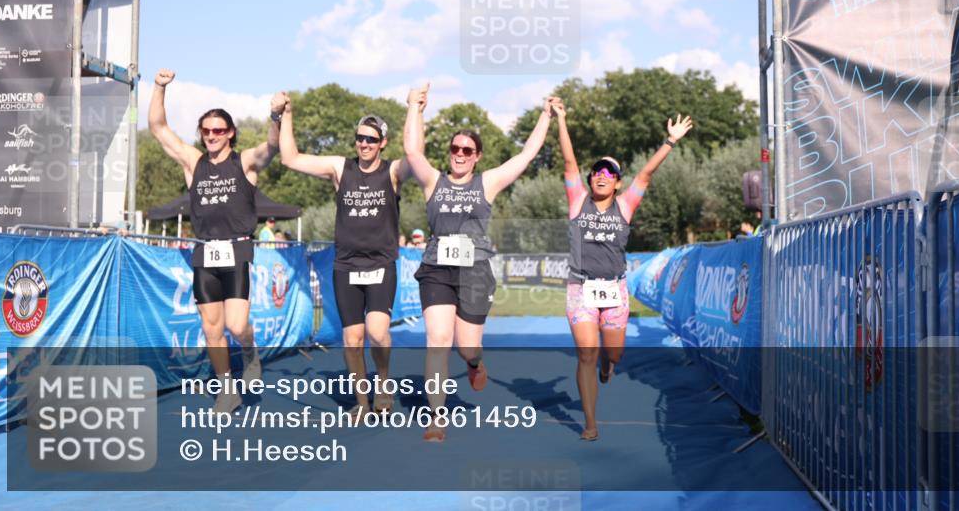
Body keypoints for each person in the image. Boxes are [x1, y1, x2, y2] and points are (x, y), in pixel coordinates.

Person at [403, 83, 557, 442]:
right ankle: (436, 418)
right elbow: (412, 150)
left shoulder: (487, 183)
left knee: (466, 347)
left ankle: (475, 362)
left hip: (474, 272)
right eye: (455, 148)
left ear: (477, 156)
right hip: (437, 269)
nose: (459, 153)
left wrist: (545, 117)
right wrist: (414, 106)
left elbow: (525, 157)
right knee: (438, 339)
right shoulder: (433, 183)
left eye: (466, 150)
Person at [554, 100, 692, 441]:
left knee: (611, 353)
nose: (601, 176)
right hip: (580, 288)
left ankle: (608, 365)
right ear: (590, 179)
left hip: (614, 290)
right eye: (597, 172)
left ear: (617, 183)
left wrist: (670, 142)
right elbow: (569, 161)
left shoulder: (625, 205)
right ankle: (590, 423)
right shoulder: (577, 201)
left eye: (609, 173)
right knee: (586, 352)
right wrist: (561, 119)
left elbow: (646, 173)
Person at [148, 69, 283, 414]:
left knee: (237, 326)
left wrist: (276, 116)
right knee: (212, 329)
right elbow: (159, 129)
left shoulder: (245, 163)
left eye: (218, 131)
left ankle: (250, 351)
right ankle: (227, 389)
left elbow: (271, 146)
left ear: (230, 133)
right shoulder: (194, 163)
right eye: (206, 131)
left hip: (236, 248)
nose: (212, 136)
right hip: (205, 252)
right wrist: (159, 88)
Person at [276, 92, 413, 416]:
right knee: (352, 338)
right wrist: (287, 114)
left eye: (371, 139)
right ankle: (362, 402)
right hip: (346, 266)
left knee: (378, 332)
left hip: (380, 264)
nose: (363, 144)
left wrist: (413, 109)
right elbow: (290, 158)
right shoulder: (341, 168)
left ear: (382, 142)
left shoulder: (392, 172)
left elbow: (415, 154)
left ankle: (382, 383)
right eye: (359, 138)